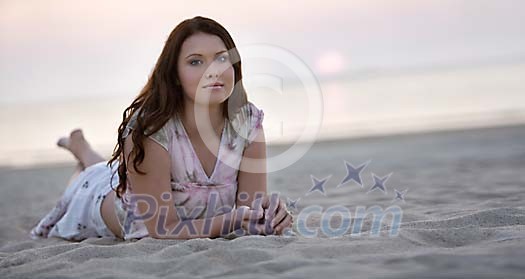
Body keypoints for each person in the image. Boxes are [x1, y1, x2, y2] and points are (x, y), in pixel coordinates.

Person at [29, 16, 293, 241]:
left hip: (136, 178)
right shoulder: (149, 130)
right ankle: (81, 148)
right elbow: (162, 228)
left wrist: (268, 216)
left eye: (221, 58)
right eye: (195, 62)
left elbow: (250, 208)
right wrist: (233, 220)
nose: (213, 71)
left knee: (104, 168)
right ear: (175, 76)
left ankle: (81, 148)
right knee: (94, 175)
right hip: (99, 199)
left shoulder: (247, 123)